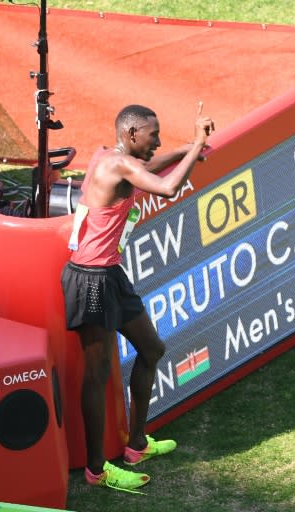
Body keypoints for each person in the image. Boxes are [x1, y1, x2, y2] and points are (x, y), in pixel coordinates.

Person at [61, 103, 215, 493]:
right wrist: (196, 145)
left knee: (151, 349)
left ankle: (136, 445)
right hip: (91, 280)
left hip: (110, 274)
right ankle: (97, 469)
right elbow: (165, 187)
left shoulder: (113, 155)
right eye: (153, 136)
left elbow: (147, 166)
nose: (157, 143)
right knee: (96, 376)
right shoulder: (118, 166)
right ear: (131, 135)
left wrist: (181, 151)